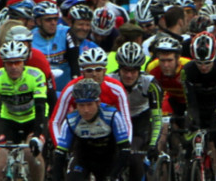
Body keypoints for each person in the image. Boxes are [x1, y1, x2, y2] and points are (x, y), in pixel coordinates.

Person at [49, 47, 132, 147]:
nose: (94, 74)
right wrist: (60, 148)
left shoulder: (116, 88)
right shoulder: (71, 88)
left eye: (98, 70)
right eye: (89, 70)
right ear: (82, 73)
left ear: (104, 71)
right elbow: (55, 122)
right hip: (81, 136)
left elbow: (126, 120)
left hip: (108, 137)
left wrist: (127, 147)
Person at [0, 41, 47, 181]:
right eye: (9, 63)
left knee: (31, 155)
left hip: (34, 119)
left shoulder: (36, 75)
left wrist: (37, 135)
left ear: (24, 62)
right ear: (4, 64)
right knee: (1, 164)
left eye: (18, 62)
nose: (14, 67)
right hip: (9, 120)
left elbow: (40, 107)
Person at [52, 78, 131, 181]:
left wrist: (114, 175)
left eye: (89, 104)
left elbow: (125, 149)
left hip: (109, 158)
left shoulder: (112, 116)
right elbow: (60, 154)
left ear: (98, 102)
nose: (86, 110)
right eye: (81, 105)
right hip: (83, 158)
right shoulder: (71, 120)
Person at [108, 42, 163, 181]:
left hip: (140, 120)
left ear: (140, 70)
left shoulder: (150, 84)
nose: (129, 75)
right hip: (117, 119)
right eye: (125, 70)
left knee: (133, 155)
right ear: (118, 68)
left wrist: (153, 144)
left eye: (133, 71)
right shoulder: (110, 81)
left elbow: (157, 118)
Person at [182, 32, 216, 174]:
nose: (203, 67)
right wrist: (193, 121)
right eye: (199, 63)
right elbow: (190, 101)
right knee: (189, 140)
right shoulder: (187, 71)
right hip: (198, 105)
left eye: (208, 63)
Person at [31, 0, 79, 92]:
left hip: (64, 89)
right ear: (38, 21)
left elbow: (74, 63)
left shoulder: (66, 33)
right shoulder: (30, 37)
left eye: (55, 19)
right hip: (40, 90)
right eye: (48, 19)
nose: (53, 23)